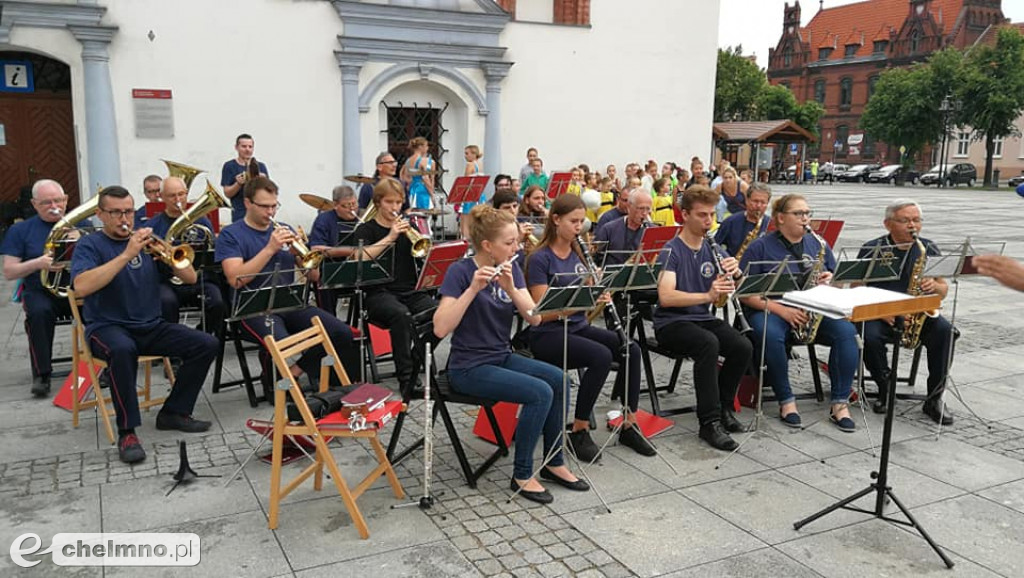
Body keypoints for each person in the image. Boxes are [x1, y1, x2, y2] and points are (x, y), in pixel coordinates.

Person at [434, 204, 586, 504]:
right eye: (509, 242)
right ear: (488, 246)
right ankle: (522, 473)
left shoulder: (512, 267)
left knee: (560, 380)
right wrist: (473, 290)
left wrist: (512, 288)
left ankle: (554, 462)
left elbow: (535, 317)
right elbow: (440, 328)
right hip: (467, 367)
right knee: (540, 392)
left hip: (499, 356)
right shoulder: (461, 271)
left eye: (516, 241)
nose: (517, 247)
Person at [70, 186, 218, 464]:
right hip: (106, 327)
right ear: (100, 214)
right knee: (122, 350)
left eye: (128, 211)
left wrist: (170, 254)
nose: (124, 218)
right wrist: (126, 254)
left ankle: (173, 412)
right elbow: (81, 287)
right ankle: (127, 432)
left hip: (150, 325)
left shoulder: (147, 241)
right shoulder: (90, 245)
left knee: (206, 344)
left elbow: (188, 277)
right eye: (115, 212)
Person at [525, 194, 655, 462]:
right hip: (548, 334)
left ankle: (629, 424)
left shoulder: (578, 251)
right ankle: (580, 428)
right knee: (600, 356)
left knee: (630, 349)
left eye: (582, 221)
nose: (578, 227)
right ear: (556, 219)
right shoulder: (540, 258)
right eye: (573, 221)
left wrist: (598, 290)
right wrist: (585, 298)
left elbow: (585, 296)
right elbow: (541, 311)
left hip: (577, 327)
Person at [216, 176, 355, 389]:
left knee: (340, 332)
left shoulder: (284, 228)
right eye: (264, 206)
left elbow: (314, 277)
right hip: (252, 308)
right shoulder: (230, 234)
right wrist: (270, 249)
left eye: (274, 206)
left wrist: (301, 256)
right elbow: (235, 279)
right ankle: (276, 382)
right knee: (283, 343)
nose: (271, 212)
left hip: (289, 302)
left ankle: (293, 374)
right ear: (247, 203)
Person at [739, 194, 858, 432]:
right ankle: (786, 400)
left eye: (807, 213)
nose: (806, 219)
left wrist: (831, 281)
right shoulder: (760, 247)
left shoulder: (818, 244)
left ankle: (840, 402)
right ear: (780, 218)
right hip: (771, 309)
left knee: (847, 332)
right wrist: (782, 311)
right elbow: (744, 293)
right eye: (799, 214)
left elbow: (838, 281)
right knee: (769, 335)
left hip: (812, 310)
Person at [654, 186, 753, 451]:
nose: (708, 221)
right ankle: (708, 423)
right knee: (708, 344)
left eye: (711, 215)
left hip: (700, 319)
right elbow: (666, 297)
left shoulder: (714, 248)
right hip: (672, 322)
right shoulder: (671, 250)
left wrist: (737, 273)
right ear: (684, 215)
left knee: (743, 346)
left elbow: (735, 283)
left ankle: (722, 408)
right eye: (701, 215)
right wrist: (707, 295)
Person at [858, 200, 955, 424]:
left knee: (946, 331)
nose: (912, 225)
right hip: (881, 313)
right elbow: (857, 288)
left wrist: (935, 287)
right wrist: (882, 312)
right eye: (905, 220)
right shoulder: (872, 248)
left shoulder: (927, 247)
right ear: (888, 224)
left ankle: (935, 397)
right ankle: (885, 386)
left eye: (916, 220)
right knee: (868, 335)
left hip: (917, 313)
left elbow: (943, 289)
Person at [352, 178, 437, 392]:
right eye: (390, 202)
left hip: (409, 290)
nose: (395, 208)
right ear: (378, 202)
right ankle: (406, 378)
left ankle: (415, 358)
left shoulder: (407, 228)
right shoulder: (366, 230)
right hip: (378, 293)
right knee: (401, 315)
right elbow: (359, 257)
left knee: (440, 313)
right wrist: (391, 236)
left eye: (399, 202)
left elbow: (422, 257)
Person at [1, 179, 76, 396]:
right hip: (40, 290)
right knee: (39, 314)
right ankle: (42, 374)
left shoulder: (80, 224)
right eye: (46, 202)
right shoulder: (21, 230)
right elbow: (9, 272)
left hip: (76, 288)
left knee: (101, 307)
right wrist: (38, 263)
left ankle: (101, 367)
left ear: (66, 200)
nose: (54, 206)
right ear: (34, 204)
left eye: (58, 200)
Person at [147, 176, 225, 337]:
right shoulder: (153, 226)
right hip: (167, 280)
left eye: (181, 194)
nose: (178, 199)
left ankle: (202, 336)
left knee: (217, 302)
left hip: (199, 278)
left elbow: (213, 250)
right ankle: (171, 346)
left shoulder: (201, 221)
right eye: (172, 195)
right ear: (161, 196)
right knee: (166, 303)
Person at [308, 185, 360, 315]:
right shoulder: (324, 219)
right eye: (346, 206)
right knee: (326, 285)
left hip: (357, 268)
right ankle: (330, 323)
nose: (352, 209)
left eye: (354, 204)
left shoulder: (362, 217)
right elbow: (316, 248)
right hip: (330, 269)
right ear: (335, 205)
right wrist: (348, 251)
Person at [593, 189, 651, 267]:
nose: (645, 213)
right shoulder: (609, 229)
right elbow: (596, 257)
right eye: (641, 208)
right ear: (629, 206)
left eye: (648, 209)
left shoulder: (651, 230)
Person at [714, 182, 771, 258]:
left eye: (763, 202)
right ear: (747, 200)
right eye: (755, 201)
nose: (758, 206)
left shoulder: (771, 224)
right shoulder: (730, 222)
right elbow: (714, 246)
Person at [221, 134, 269, 223]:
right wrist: (238, 184)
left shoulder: (261, 166)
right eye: (244, 146)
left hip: (259, 213)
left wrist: (263, 181)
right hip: (239, 214)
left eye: (250, 147)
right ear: (236, 147)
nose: (247, 149)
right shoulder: (229, 166)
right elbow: (227, 193)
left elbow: (268, 193)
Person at [400, 137, 435, 211]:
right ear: (420, 147)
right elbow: (425, 178)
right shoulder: (422, 161)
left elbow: (405, 177)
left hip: (412, 189)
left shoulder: (408, 161)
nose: (427, 148)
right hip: (422, 190)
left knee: (413, 215)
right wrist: (432, 194)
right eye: (426, 146)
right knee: (424, 215)